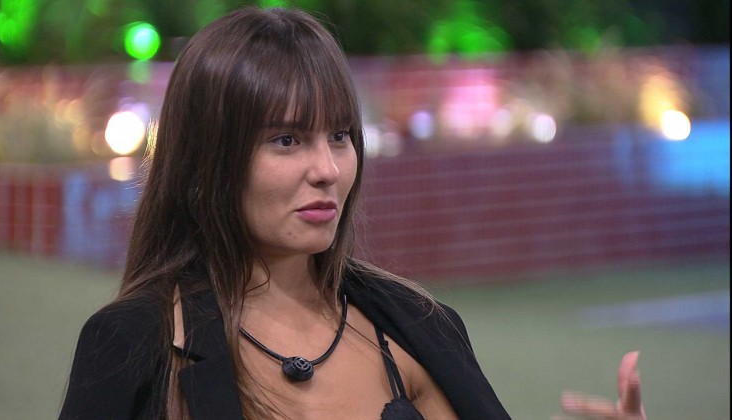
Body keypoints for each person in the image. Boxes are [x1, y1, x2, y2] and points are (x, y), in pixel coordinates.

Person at [59, 7, 645, 420]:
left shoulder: (419, 326)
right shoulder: (136, 342)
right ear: (206, 160)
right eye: (287, 140)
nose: (328, 169)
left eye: (340, 135)